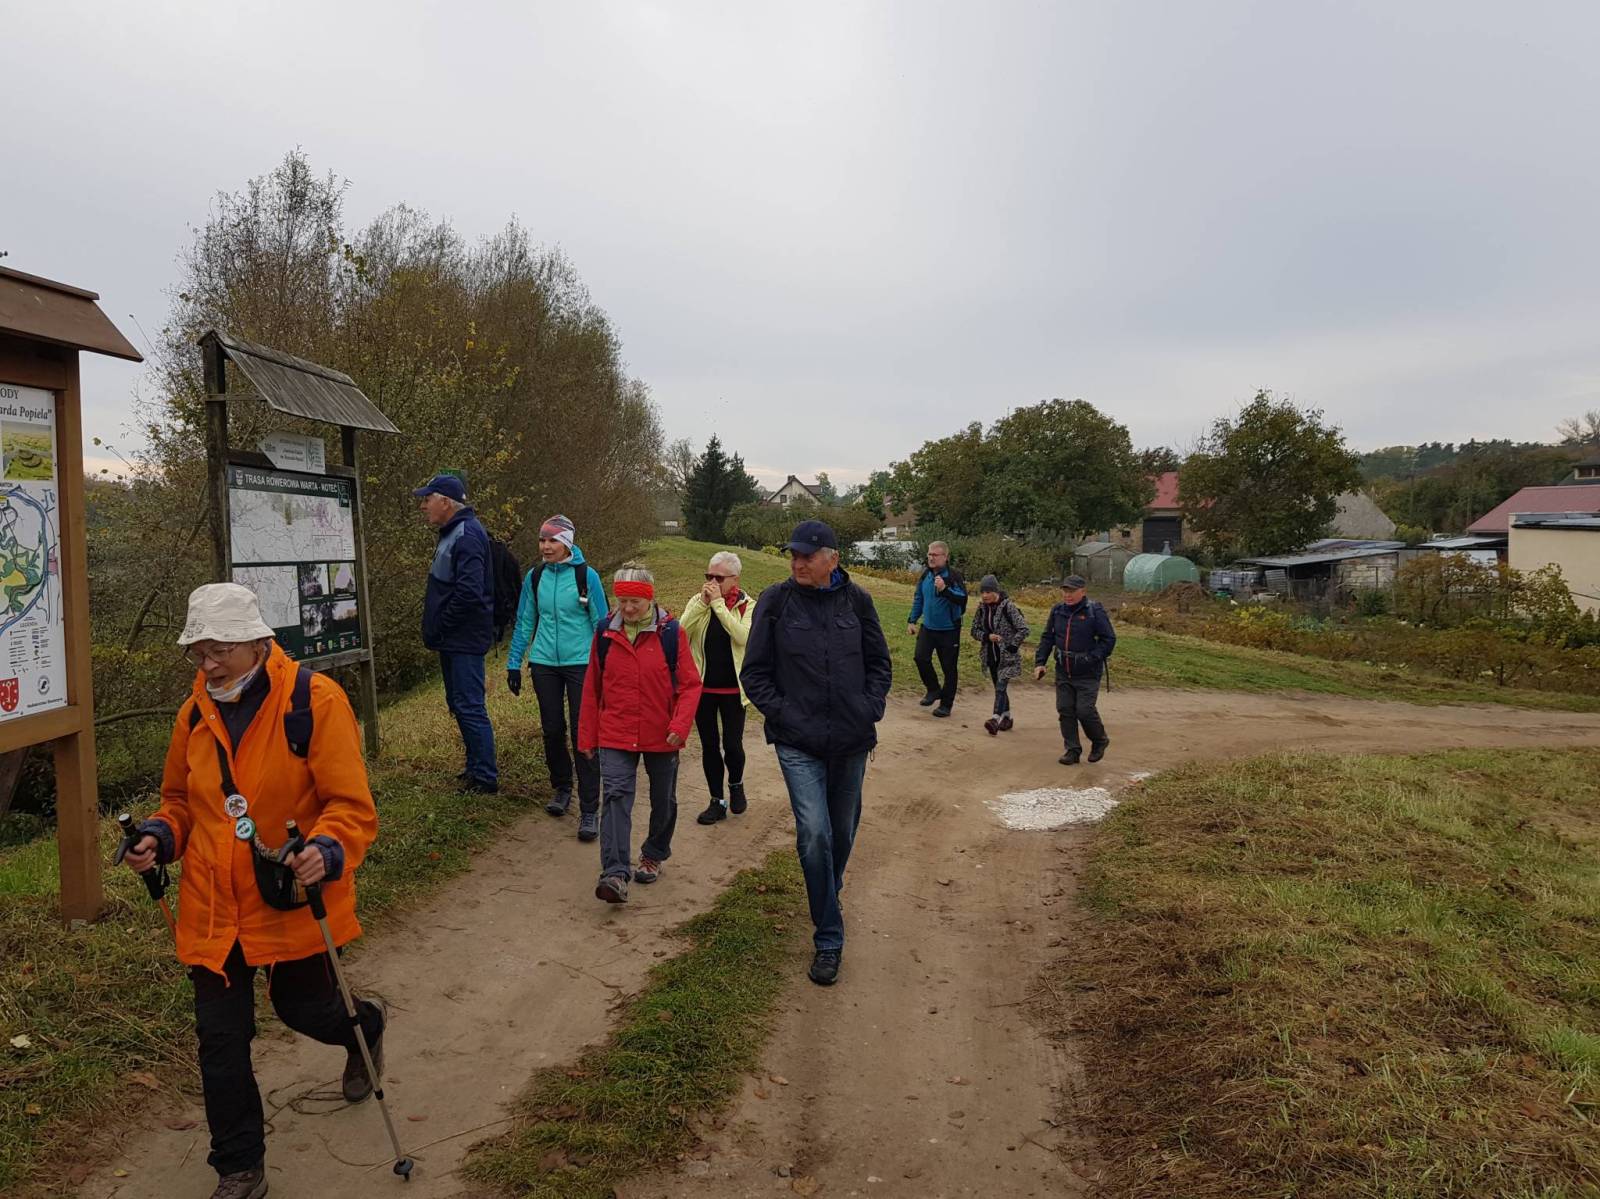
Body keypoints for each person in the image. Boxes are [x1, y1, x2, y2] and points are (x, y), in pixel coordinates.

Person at [121, 583, 382, 1199]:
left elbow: (349, 805)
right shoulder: (193, 714)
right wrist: (159, 836)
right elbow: (180, 801)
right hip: (212, 903)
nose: (208, 665)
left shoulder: (315, 701)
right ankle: (239, 1167)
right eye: (198, 653)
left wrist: (326, 849)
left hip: (288, 893)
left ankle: (364, 1028)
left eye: (219, 650)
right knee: (220, 1039)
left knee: (305, 1009)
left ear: (257, 643)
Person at [742, 520, 892, 986]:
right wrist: (784, 715)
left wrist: (869, 707)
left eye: (807, 555)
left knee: (841, 832)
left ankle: (829, 891)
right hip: (798, 741)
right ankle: (829, 936)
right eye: (794, 555)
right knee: (814, 834)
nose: (798, 562)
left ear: (833, 558)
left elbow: (879, 663)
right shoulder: (775, 601)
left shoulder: (858, 601)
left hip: (851, 739)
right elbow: (755, 673)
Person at [578, 565, 702, 903]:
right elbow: (592, 687)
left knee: (663, 798)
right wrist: (586, 736)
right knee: (615, 795)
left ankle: (654, 853)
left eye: (635, 601)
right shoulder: (605, 632)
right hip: (615, 731)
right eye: (622, 601)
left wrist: (679, 726)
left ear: (649, 599)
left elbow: (690, 685)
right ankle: (615, 873)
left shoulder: (670, 633)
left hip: (662, 733)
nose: (628, 608)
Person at [505, 514, 609, 840]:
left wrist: (606, 668)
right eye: (542, 540)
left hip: (581, 663)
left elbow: (602, 624)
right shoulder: (535, 576)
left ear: (567, 543)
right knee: (552, 730)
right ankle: (562, 788)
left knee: (583, 734)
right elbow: (525, 620)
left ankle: (590, 809)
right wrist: (513, 663)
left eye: (553, 540)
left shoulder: (586, 576)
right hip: (544, 662)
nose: (546, 547)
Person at [416, 473, 497, 793]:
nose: (423, 506)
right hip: (453, 639)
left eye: (427, 499)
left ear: (446, 502)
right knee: (459, 703)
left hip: (463, 639)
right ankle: (475, 767)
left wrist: (442, 624)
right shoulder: (452, 533)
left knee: (470, 705)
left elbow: (469, 593)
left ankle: (485, 778)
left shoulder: (467, 534)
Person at [680, 550, 755, 825]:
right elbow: (681, 632)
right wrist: (703, 603)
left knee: (732, 745)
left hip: (733, 690)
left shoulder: (748, 605)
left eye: (719, 578)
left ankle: (736, 784)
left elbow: (742, 636)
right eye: (708, 576)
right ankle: (716, 800)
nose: (712, 582)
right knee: (709, 746)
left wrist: (719, 605)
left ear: (735, 579)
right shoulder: (698, 602)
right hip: (703, 689)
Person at [1033, 573, 1116, 765]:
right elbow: (1048, 638)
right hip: (1064, 670)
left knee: (1084, 711)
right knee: (1065, 709)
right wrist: (1040, 662)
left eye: (1072, 591)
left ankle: (1099, 740)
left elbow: (1109, 639)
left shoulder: (1094, 611)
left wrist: (1092, 657)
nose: (1067, 595)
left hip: (1088, 672)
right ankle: (1072, 750)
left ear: (1083, 591)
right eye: (1065, 591)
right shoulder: (1057, 611)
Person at [906, 540, 967, 718]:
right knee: (920, 658)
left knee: (949, 668)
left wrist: (945, 589)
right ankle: (933, 689)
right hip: (928, 628)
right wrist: (912, 620)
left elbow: (962, 599)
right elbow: (919, 598)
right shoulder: (926, 575)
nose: (931, 558)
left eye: (935, 555)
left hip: (949, 630)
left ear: (945, 557)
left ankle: (946, 705)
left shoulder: (953, 576)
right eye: (929, 554)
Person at [969, 573, 1030, 736]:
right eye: (982, 592)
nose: (984, 595)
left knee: (1001, 686)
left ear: (996, 591)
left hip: (1008, 656)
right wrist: (987, 636)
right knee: (999, 688)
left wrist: (1013, 645)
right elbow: (974, 630)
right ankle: (1007, 718)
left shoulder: (1008, 607)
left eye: (988, 592)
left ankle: (995, 719)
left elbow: (1024, 629)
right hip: (990, 654)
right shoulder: (981, 609)